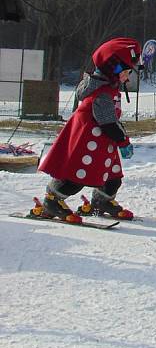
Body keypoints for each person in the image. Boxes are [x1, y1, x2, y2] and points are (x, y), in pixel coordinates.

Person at [33, 38, 141, 222]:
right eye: (126, 72)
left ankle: (102, 200)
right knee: (77, 176)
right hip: (87, 144)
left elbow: (111, 121)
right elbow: (107, 122)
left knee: (113, 178)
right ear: (113, 70)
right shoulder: (102, 94)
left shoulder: (109, 87)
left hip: (102, 144)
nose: (128, 77)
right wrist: (123, 141)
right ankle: (52, 199)